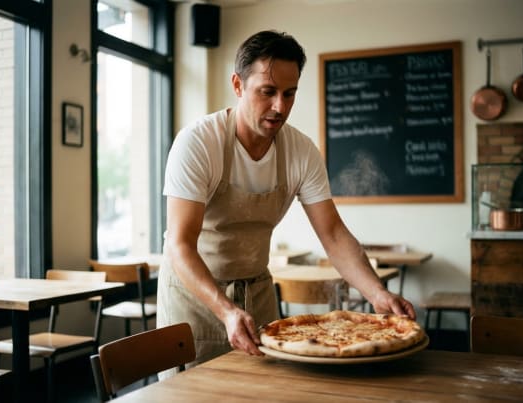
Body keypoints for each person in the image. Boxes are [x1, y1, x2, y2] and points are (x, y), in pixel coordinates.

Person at [156, 30, 416, 370]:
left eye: (289, 94)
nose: (280, 107)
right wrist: (226, 310)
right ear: (238, 85)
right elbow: (180, 244)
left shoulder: (301, 152)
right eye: (268, 92)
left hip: (258, 294)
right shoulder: (199, 143)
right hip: (194, 299)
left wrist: (377, 294)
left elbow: (333, 234)